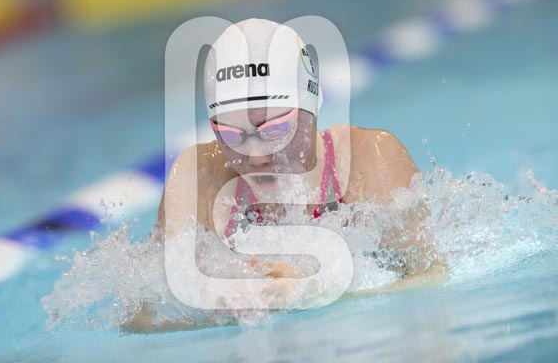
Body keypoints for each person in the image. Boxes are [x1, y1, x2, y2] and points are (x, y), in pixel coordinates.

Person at [126, 18, 427, 332]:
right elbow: (141, 319)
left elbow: (433, 276)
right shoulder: (199, 177)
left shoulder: (370, 160)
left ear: (312, 107)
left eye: (275, 130)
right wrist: (218, 303)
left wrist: (312, 291)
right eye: (231, 135)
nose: (256, 156)